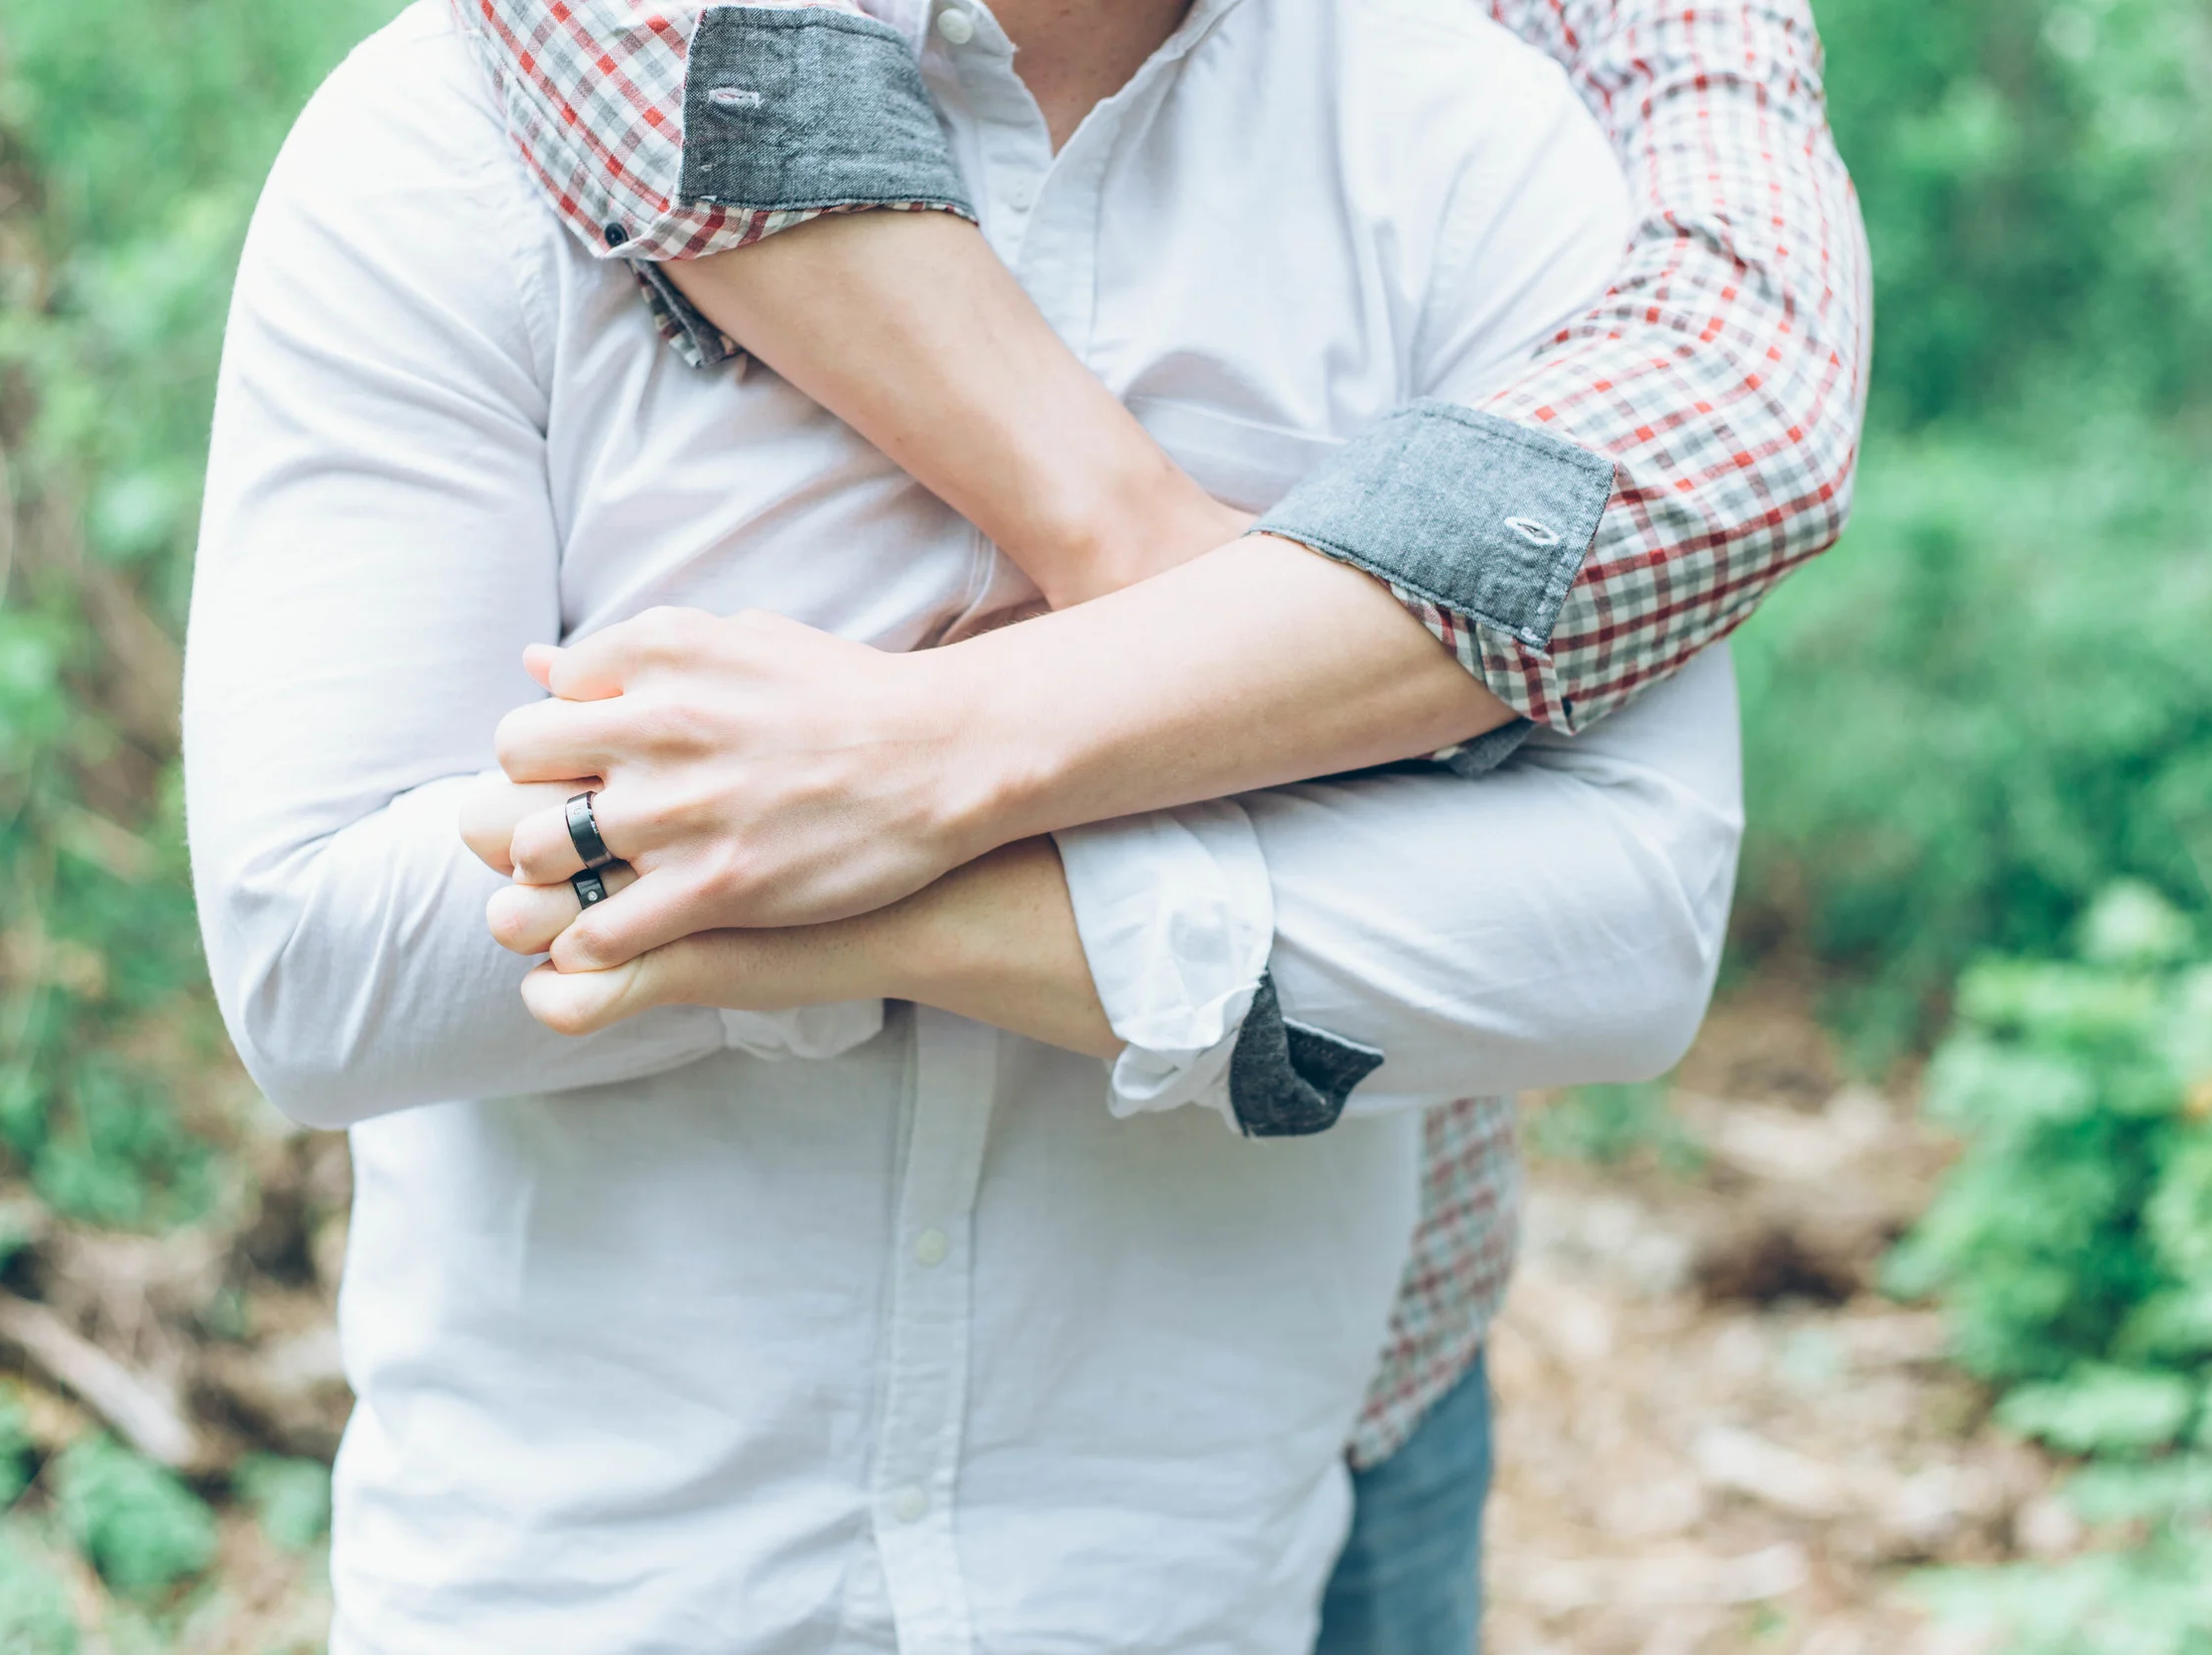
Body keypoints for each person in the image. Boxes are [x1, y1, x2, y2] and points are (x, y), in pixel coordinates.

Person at [184, 0, 1754, 1647]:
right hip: (577, 1585)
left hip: (1182, 1592)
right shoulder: (445, 139)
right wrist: (1198, 751)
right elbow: (318, 954)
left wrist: (908, 786)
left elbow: (1627, 922)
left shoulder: (1471, 155)